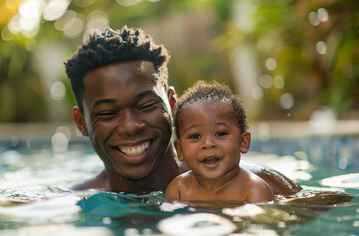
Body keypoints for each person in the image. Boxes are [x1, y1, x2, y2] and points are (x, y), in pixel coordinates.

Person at [64, 26, 301, 195]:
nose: (130, 125)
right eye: (107, 113)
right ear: (82, 123)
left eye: (146, 106)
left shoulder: (259, 188)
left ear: (172, 103)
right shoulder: (72, 200)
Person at [165, 81, 274, 203]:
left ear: (243, 142)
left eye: (220, 134)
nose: (208, 144)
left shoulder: (254, 191)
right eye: (195, 136)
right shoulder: (178, 190)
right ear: (180, 150)